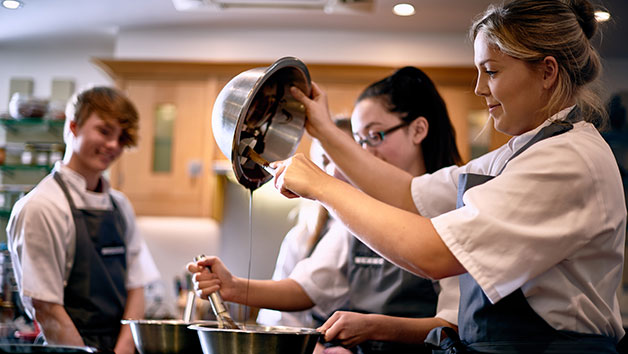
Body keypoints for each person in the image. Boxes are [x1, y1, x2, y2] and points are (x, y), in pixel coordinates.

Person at [271, 0, 627, 353]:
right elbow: (409, 194)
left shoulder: (566, 159)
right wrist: (322, 129)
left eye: (491, 71)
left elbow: (434, 255)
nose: (479, 88)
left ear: (547, 72)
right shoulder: (518, 155)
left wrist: (323, 186)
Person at [189, 67, 462, 354]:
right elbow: (306, 287)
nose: (363, 153)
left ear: (418, 130)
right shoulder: (362, 209)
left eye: (374, 136)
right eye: (359, 141)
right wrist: (232, 286)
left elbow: (453, 326)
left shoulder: (454, 207)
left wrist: (374, 326)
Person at [7, 86, 160, 353]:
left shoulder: (120, 206)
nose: (113, 145)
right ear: (73, 127)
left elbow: (137, 286)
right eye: (104, 131)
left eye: (121, 138)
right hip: (66, 348)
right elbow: (46, 309)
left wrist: (122, 350)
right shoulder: (41, 207)